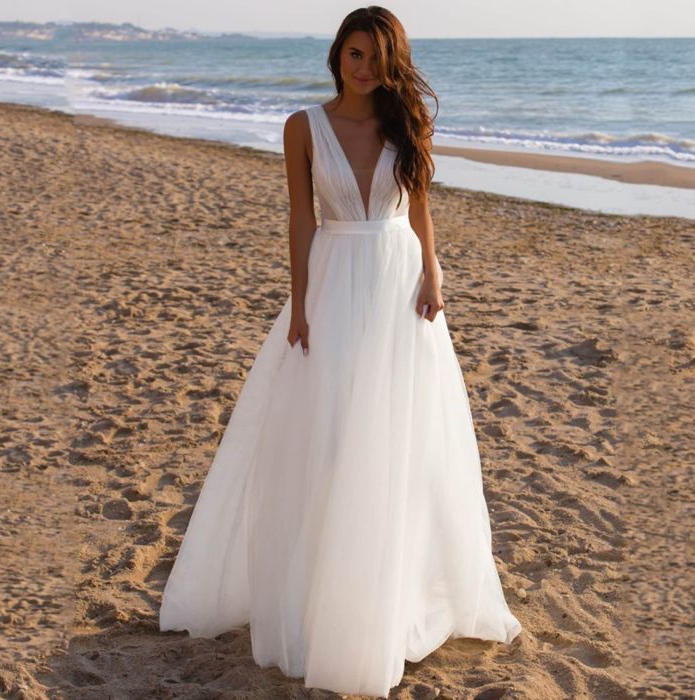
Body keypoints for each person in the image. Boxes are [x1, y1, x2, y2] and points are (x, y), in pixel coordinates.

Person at [159, 6, 522, 698]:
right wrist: (299, 303)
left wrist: (435, 272)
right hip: (331, 279)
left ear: (392, 62)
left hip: (397, 283)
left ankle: (387, 600)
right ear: (338, 55)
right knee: (324, 439)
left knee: (397, 443)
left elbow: (419, 210)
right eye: (355, 54)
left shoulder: (405, 124)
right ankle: (316, 602)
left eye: (377, 57)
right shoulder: (302, 127)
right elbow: (300, 216)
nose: (365, 68)